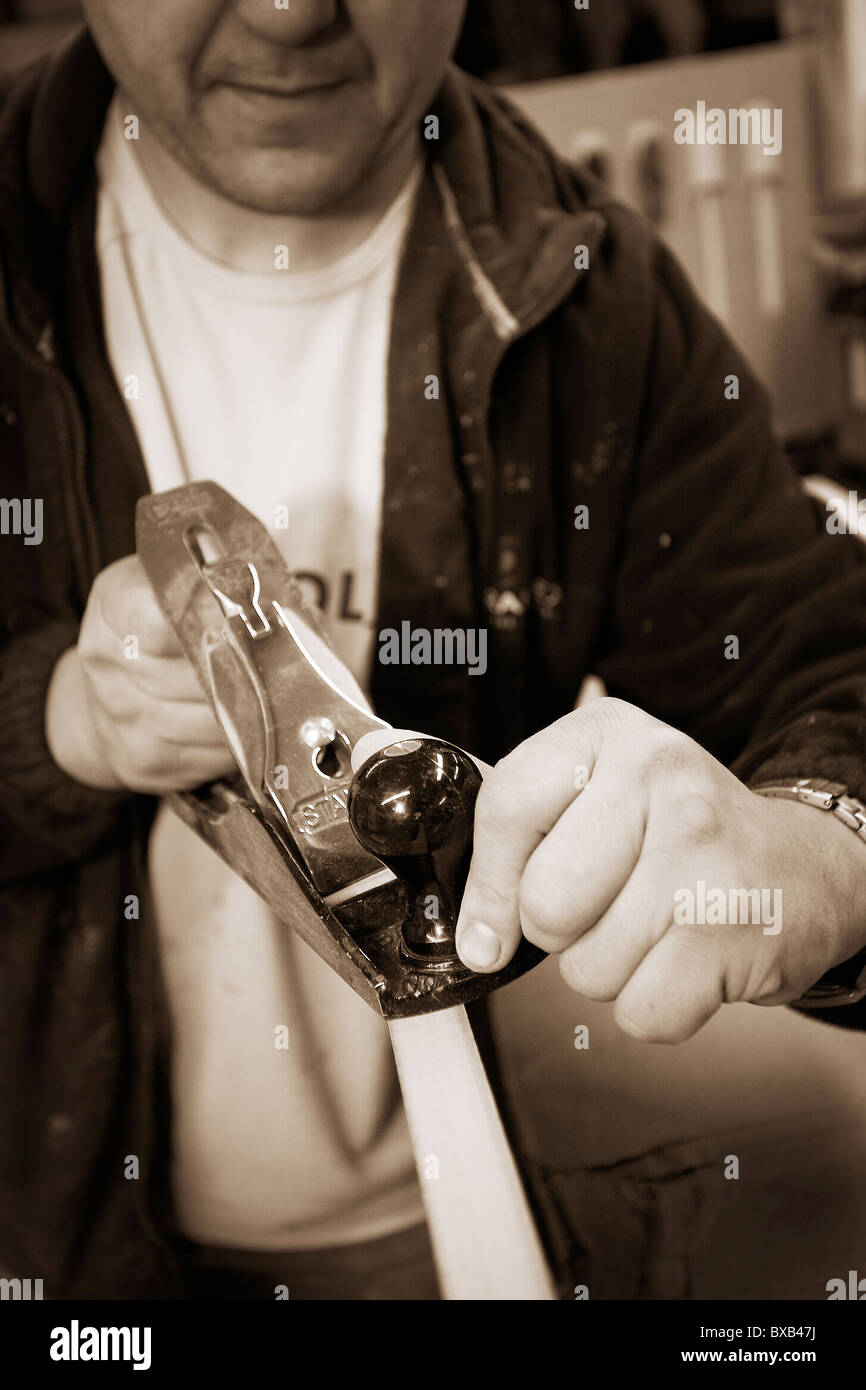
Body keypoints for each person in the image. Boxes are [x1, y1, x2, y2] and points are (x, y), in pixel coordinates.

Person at [1, 0, 865, 1301]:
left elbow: (821, 672)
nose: (292, 12)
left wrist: (817, 846)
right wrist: (54, 723)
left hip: (470, 1217)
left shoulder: (598, 301)